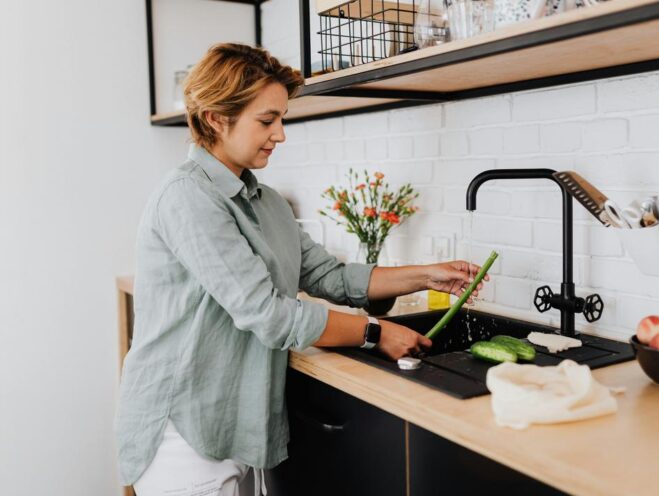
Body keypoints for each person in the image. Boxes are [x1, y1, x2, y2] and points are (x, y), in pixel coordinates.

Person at [115, 43, 487, 496]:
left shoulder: (266, 202)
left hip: (237, 418)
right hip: (183, 426)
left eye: (281, 119)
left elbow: (330, 277)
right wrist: (374, 331)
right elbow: (266, 313)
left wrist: (426, 275)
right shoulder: (187, 198)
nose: (281, 134)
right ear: (216, 118)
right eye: (267, 120)